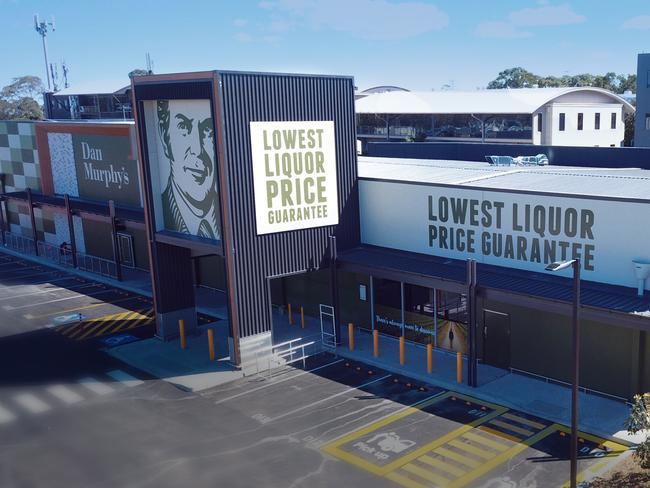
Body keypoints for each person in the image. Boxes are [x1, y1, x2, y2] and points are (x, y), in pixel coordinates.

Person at [156, 99, 220, 240]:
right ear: (165, 137)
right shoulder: (160, 216)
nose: (197, 150)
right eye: (184, 127)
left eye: (207, 130)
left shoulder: (236, 216)